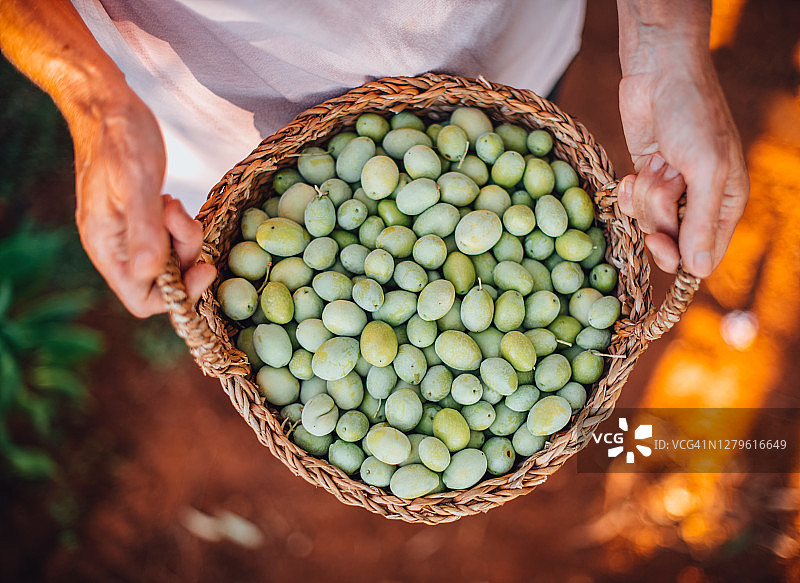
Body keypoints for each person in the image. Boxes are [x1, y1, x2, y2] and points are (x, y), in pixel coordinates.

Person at [0, 0, 749, 319]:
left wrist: (664, 40)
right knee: (247, 244)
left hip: (495, 38)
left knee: (506, 132)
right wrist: (94, 98)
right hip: (222, 107)